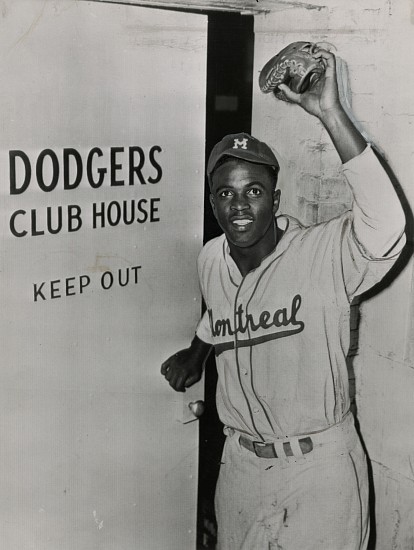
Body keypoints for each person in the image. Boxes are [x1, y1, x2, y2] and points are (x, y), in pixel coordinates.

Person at [161, 48, 406, 549]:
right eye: (225, 194)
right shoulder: (211, 258)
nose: (239, 205)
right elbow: (219, 310)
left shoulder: (322, 254)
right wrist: (198, 349)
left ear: (275, 198)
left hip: (320, 470)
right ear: (212, 203)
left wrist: (329, 113)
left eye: (253, 191)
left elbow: (387, 228)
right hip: (241, 468)